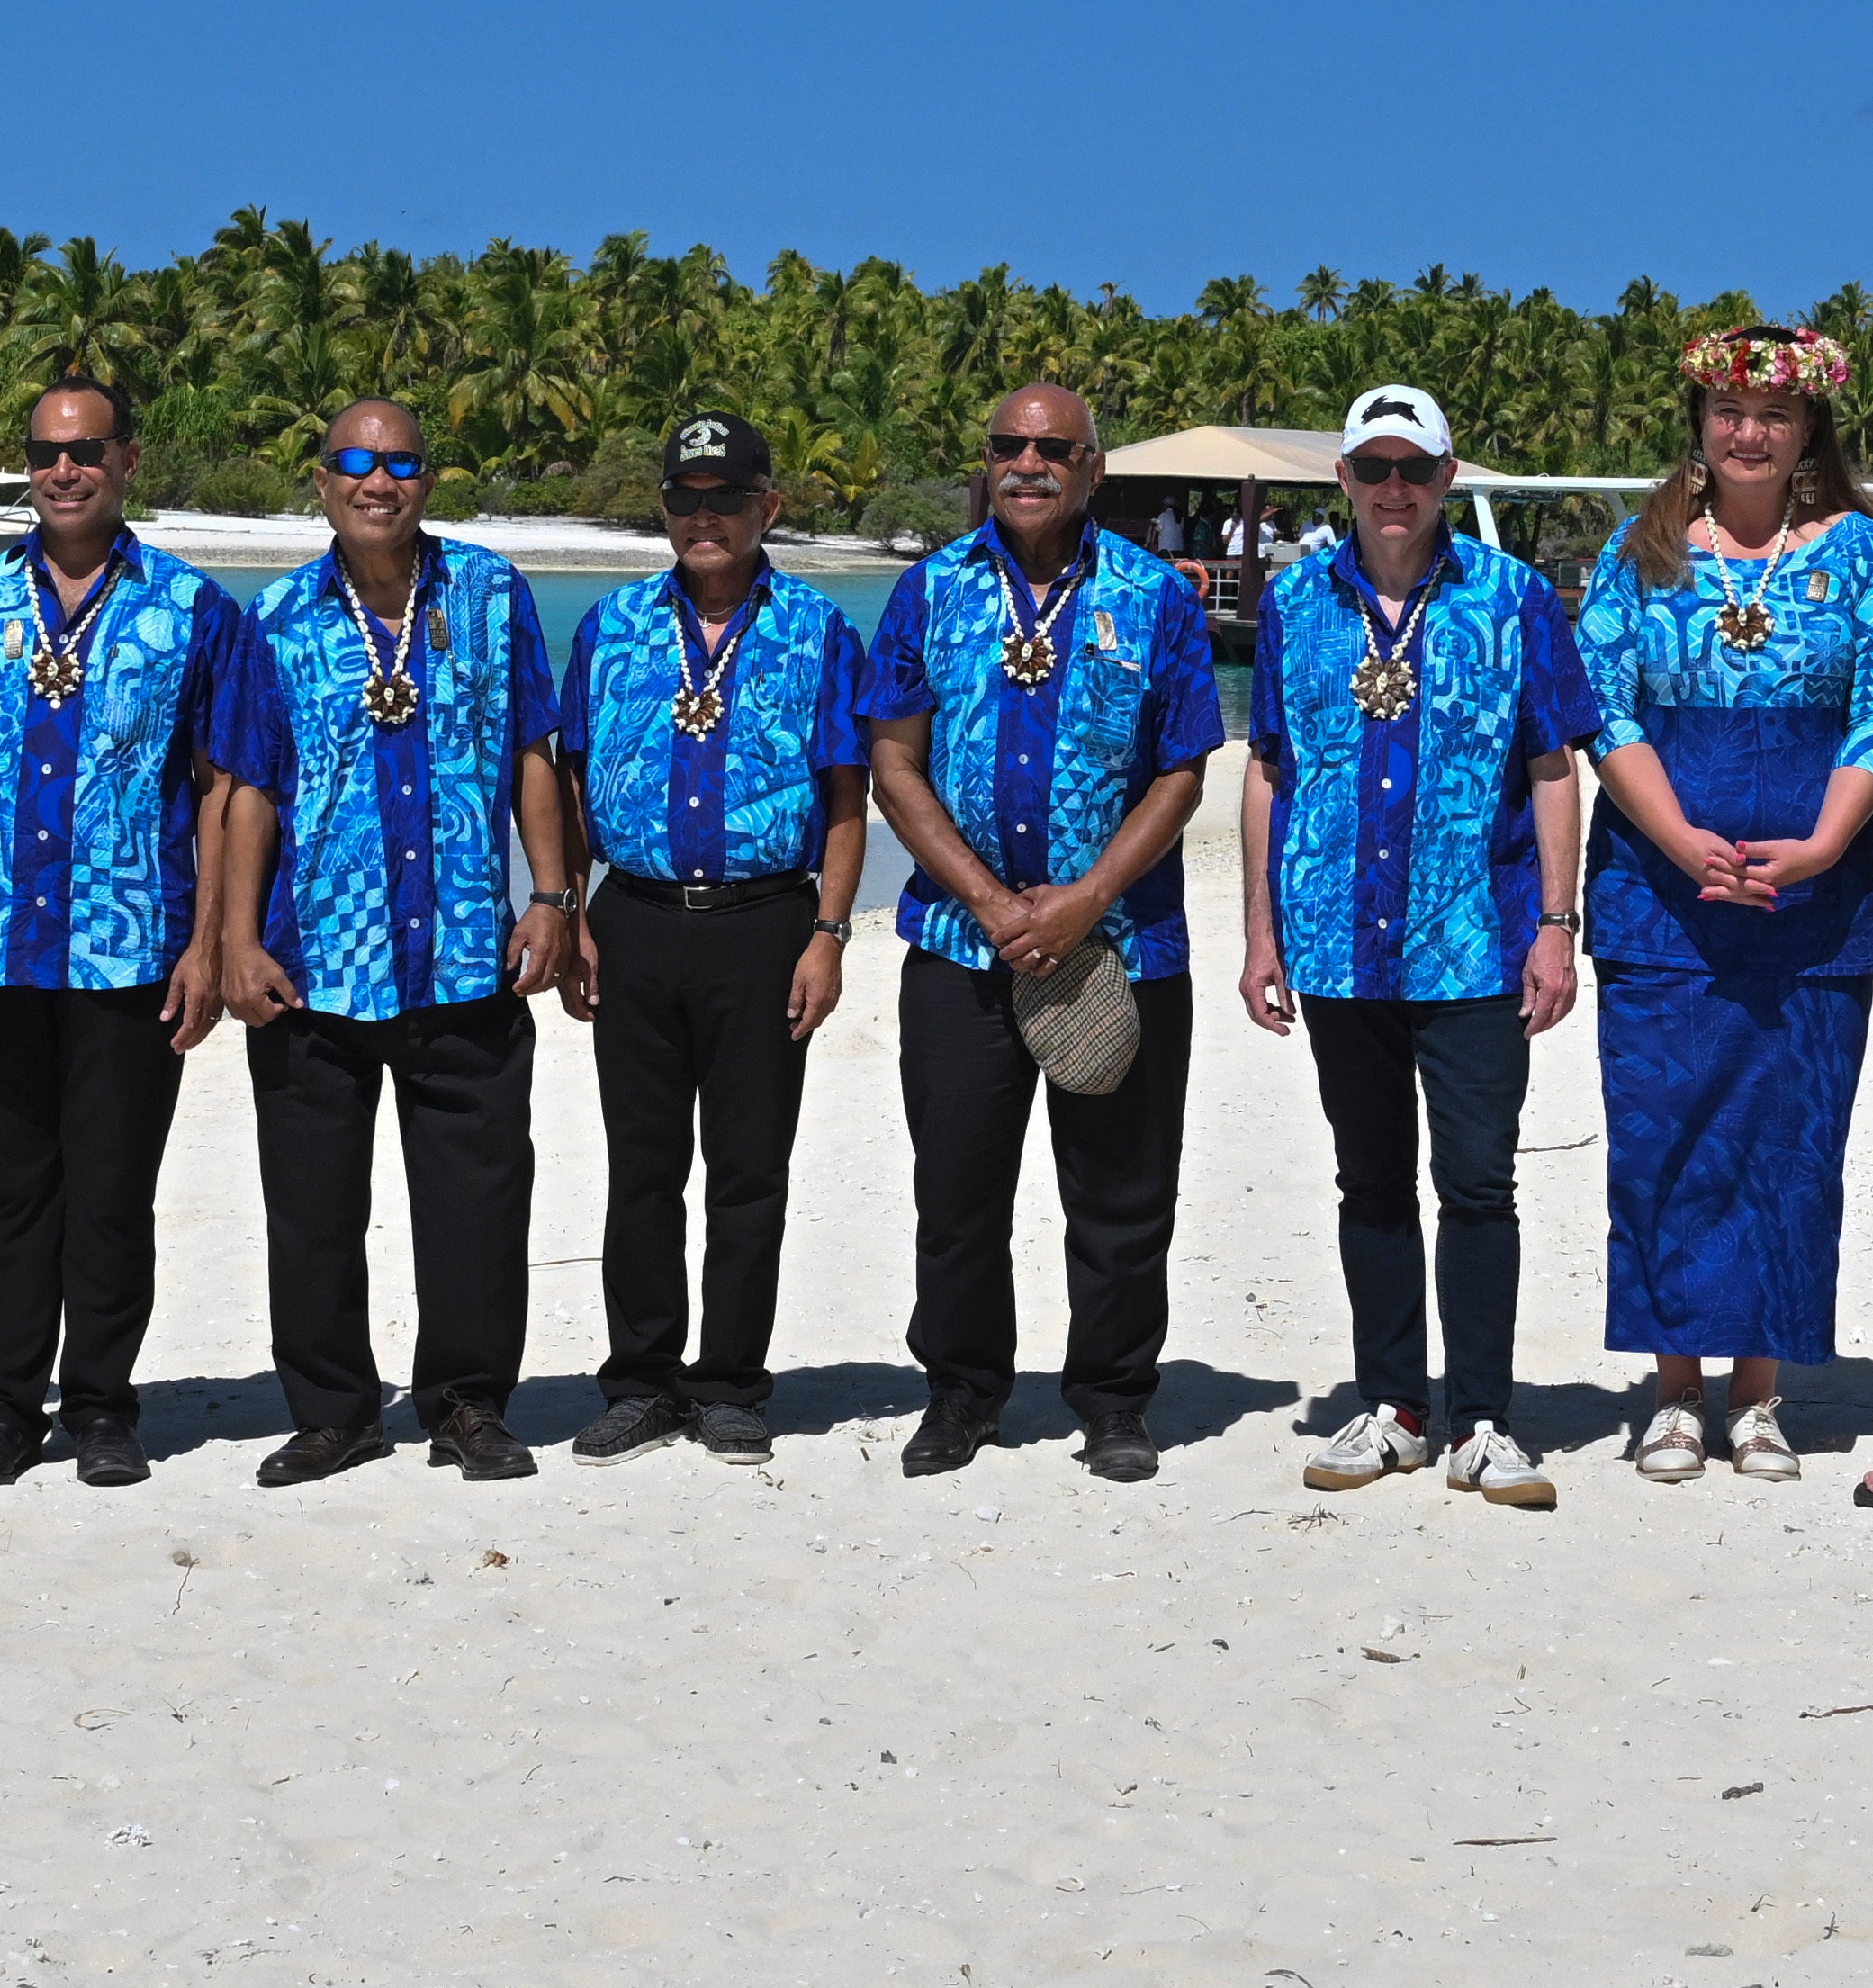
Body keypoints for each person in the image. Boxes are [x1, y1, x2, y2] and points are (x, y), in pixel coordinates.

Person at [1572, 326, 1873, 1483]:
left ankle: (1759, 1393)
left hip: (1812, 892)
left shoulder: (1864, 555)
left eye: (1772, 415)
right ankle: (1675, 1389)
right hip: (1656, 888)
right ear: (1699, 422)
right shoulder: (1642, 551)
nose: (1748, 431)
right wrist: (1675, 839)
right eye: (1727, 410)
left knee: (1791, 1139)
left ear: (1808, 430)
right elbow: (1603, 710)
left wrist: (1828, 840)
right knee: (1665, 1131)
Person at [188, 404, 572, 1483]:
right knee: (311, 1207)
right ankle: (332, 1409)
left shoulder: (491, 592)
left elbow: (532, 751)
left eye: (398, 461)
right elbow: (246, 790)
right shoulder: (273, 617)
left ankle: (465, 1403)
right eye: (354, 462)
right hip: (316, 962)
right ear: (322, 481)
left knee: (479, 1200)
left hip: (462, 955)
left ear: (426, 478)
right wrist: (232, 939)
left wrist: (551, 895)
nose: (376, 480)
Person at [1232, 382, 1589, 1512]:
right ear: (1341, 477)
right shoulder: (1295, 602)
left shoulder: (1513, 597)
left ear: (1448, 476)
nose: (1394, 488)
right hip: (1338, 942)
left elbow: (1548, 768)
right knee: (1368, 1180)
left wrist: (1555, 925)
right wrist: (1258, 932)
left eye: (1415, 468)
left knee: (1478, 1184)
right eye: (1373, 468)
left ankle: (1482, 1416)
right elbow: (1268, 769)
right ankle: (1390, 1405)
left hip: (1476, 944)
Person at [865, 382, 1223, 1480]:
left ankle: (1113, 1397)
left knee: (1119, 1193)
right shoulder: (929, 589)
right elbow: (893, 760)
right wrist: (986, 897)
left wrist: (1083, 898)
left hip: (1122, 945)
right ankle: (962, 1392)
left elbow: (1180, 768)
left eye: (1052, 447)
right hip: (956, 944)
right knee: (958, 1189)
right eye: (1008, 446)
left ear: (1091, 466)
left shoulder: (1155, 596)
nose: (1028, 462)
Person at [0, 373, 232, 1487]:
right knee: (15, 1189)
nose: (64, 470)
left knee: (113, 1187)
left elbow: (224, 788)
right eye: (44, 453)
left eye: (86, 450)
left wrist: (210, 943)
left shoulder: (192, 608)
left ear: (128, 459)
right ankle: (3, 1406)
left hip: (132, 946)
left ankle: (99, 1404)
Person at [546, 410, 874, 1466]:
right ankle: (640, 1381)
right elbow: (568, 775)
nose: (703, 517)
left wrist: (827, 931)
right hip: (632, 919)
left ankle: (730, 1380)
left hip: (763, 922)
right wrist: (571, 906)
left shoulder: (818, 628)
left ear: (765, 506)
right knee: (640, 1169)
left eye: (725, 498)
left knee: (746, 1170)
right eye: (684, 499)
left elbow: (844, 796)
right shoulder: (609, 625)